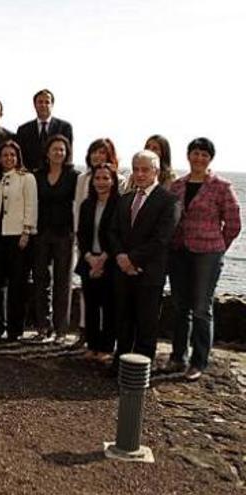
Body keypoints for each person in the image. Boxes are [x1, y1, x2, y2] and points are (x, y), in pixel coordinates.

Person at [166, 138, 241, 381]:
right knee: (180, 307)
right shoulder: (177, 186)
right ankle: (178, 356)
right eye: (195, 153)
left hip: (207, 254)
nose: (199, 158)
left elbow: (233, 223)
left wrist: (218, 247)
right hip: (179, 252)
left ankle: (199, 361)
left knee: (201, 308)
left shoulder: (221, 186)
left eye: (204, 154)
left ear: (210, 158)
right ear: (188, 156)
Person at [109, 150, 179, 369]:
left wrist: (133, 260)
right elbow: (112, 231)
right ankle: (119, 363)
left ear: (156, 171)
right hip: (123, 270)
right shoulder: (126, 199)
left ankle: (140, 372)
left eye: (145, 169)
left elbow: (162, 239)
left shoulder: (169, 201)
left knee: (146, 325)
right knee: (123, 320)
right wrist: (121, 257)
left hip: (149, 273)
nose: (139, 174)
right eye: (136, 169)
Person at [0, 140, 37, 341]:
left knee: (18, 284)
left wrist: (26, 232)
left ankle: (15, 329)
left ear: (18, 157)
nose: (8, 159)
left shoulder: (27, 178)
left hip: (18, 236)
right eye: (5, 155)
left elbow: (31, 206)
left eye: (12, 155)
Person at [32, 135, 79, 341]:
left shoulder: (74, 176)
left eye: (62, 149)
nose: (58, 153)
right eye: (55, 149)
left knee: (63, 282)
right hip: (41, 232)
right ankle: (43, 325)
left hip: (64, 234)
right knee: (41, 280)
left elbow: (78, 205)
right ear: (47, 152)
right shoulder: (37, 175)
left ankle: (61, 330)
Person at [75, 164, 120, 361]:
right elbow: (82, 234)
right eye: (97, 178)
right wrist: (89, 257)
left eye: (105, 178)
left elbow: (119, 235)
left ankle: (107, 347)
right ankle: (92, 345)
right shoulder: (87, 204)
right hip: (89, 259)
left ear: (113, 181)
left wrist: (102, 258)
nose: (101, 182)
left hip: (109, 261)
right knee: (91, 306)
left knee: (109, 307)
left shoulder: (119, 204)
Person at [15, 89, 74, 172]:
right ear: (35, 105)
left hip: (56, 176)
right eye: (40, 102)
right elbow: (20, 157)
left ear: (52, 105)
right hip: (31, 176)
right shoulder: (23, 130)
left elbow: (68, 155)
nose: (43, 105)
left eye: (47, 102)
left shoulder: (64, 128)